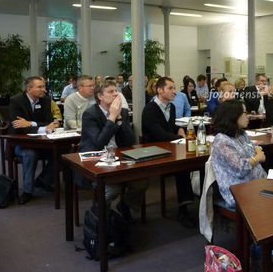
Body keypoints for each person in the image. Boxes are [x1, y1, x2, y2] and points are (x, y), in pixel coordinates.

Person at [79, 80, 148, 222]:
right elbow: (99, 142)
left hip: (119, 158)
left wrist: (120, 118)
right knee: (111, 189)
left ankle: (125, 206)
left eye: (116, 91)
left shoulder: (122, 111)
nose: (116, 94)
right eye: (111, 92)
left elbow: (130, 141)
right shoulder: (90, 114)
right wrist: (111, 118)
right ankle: (100, 219)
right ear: (100, 96)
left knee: (141, 182)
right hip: (97, 160)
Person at [141, 77, 196, 228]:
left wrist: (180, 130)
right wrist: (180, 137)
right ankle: (183, 210)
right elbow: (160, 135)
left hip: (169, 148)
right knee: (182, 167)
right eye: (170, 88)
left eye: (174, 88)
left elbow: (170, 128)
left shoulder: (171, 107)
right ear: (160, 90)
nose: (174, 91)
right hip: (153, 151)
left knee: (186, 164)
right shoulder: (150, 109)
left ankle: (185, 208)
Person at [9, 76, 60, 204]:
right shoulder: (16, 101)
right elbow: (18, 127)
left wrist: (30, 123)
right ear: (29, 89)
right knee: (30, 154)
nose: (44, 90)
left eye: (44, 87)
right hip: (21, 143)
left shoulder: (46, 101)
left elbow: (49, 123)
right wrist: (42, 127)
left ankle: (42, 180)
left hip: (43, 143)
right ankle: (28, 191)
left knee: (62, 153)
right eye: (40, 87)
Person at [211, 100, 267, 209]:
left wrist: (257, 154)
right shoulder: (222, 141)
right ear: (233, 116)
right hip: (238, 190)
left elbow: (254, 149)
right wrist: (258, 158)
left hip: (256, 183)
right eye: (245, 113)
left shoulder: (241, 134)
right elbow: (240, 168)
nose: (248, 116)